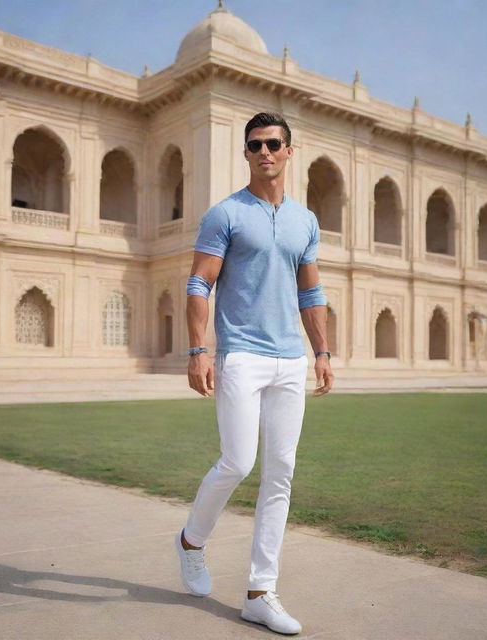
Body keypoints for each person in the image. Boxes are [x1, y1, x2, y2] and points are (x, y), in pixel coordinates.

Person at [176, 112, 334, 636]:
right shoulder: (225, 215)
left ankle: (259, 592)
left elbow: (310, 292)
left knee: (281, 473)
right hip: (240, 353)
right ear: (245, 153)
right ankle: (191, 541)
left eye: (273, 143)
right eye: (254, 145)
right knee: (239, 461)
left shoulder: (304, 221)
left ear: (290, 151)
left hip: (290, 358)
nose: (264, 151)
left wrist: (322, 352)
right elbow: (199, 282)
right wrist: (198, 349)